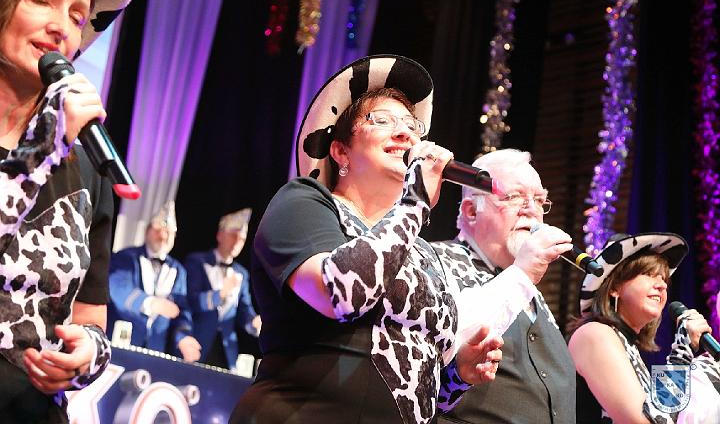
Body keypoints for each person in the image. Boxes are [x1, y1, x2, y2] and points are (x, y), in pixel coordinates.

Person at [231, 55, 541, 424]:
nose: (405, 133)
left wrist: (459, 374)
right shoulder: (304, 202)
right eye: (382, 120)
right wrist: (416, 202)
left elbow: (421, 388)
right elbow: (340, 292)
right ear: (341, 151)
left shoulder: (421, 251)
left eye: (411, 125)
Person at [0, 0, 143, 421]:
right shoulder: (53, 144)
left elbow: (90, 319)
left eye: (78, 16)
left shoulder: (84, 167)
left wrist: (86, 357)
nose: (61, 26)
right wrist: (41, 149)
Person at [433, 148, 576, 424]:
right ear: (471, 210)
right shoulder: (436, 262)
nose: (531, 209)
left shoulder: (530, 288)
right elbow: (432, 368)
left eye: (539, 200)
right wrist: (524, 272)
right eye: (513, 197)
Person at [568, 232, 713, 423]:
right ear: (615, 287)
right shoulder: (594, 333)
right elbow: (645, 421)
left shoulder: (626, 345)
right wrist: (681, 352)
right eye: (648, 274)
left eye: (664, 279)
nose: (661, 285)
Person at [108, 201, 201, 363]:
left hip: (155, 349)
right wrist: (150, 303)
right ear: (147, 231)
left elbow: (181, 310)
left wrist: (183, 337)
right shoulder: (126, 257)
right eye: (158, 230)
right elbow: (117, 287)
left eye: (169, 233)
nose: (163, 236)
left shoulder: (179, 270)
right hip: (120, 343)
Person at [183, 208, 262, 371]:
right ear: (220, 235)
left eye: (242, 238)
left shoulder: (241, 273)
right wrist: (219, 294)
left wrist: (254, 322)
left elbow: (244, 310)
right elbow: (190, 301)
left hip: (226, 349)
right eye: (233, 235)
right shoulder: (197, 261)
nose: (237, 241)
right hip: (197, 342)